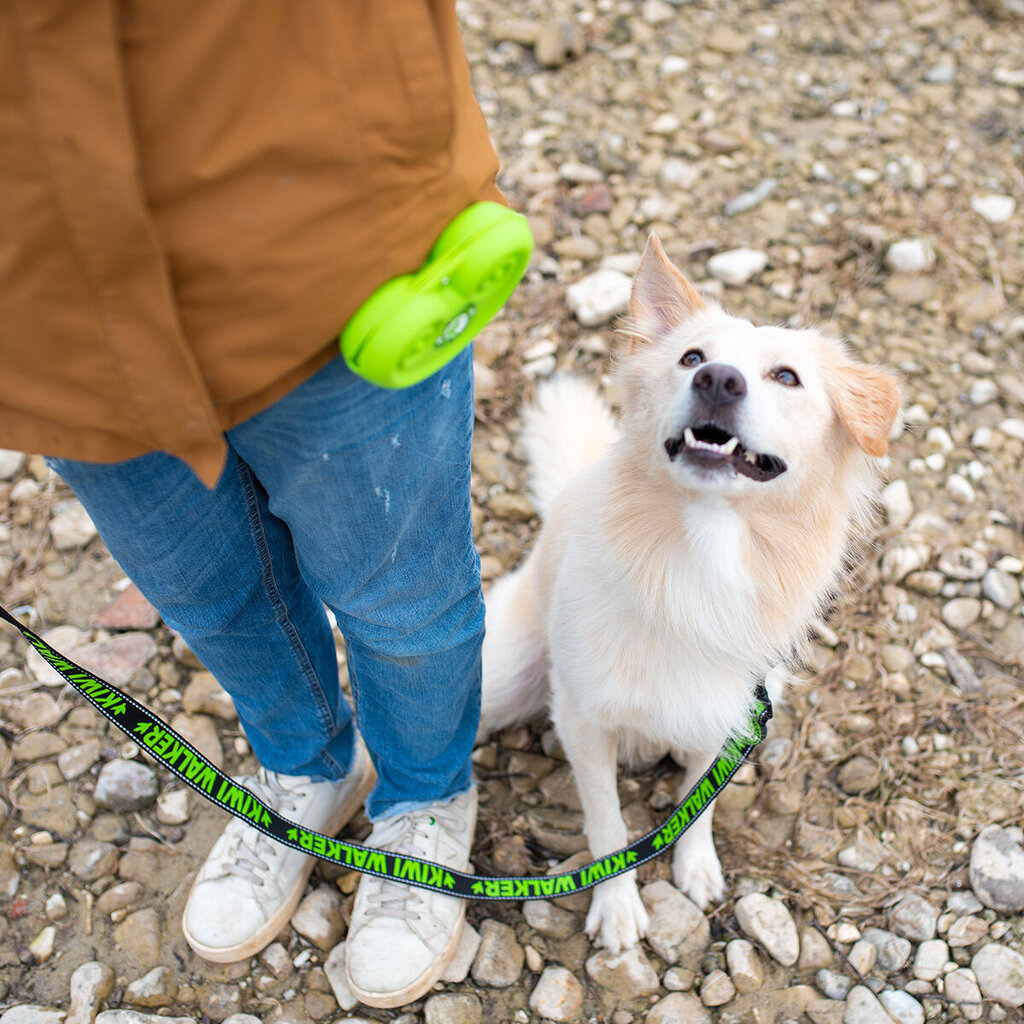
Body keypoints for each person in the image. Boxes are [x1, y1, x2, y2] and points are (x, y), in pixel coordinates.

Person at [1, 1, 503, 1009]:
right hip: (44, 305)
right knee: (204, 587)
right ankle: (309, 759)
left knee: (400, 596)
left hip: (325, 234)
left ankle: (425, 792)